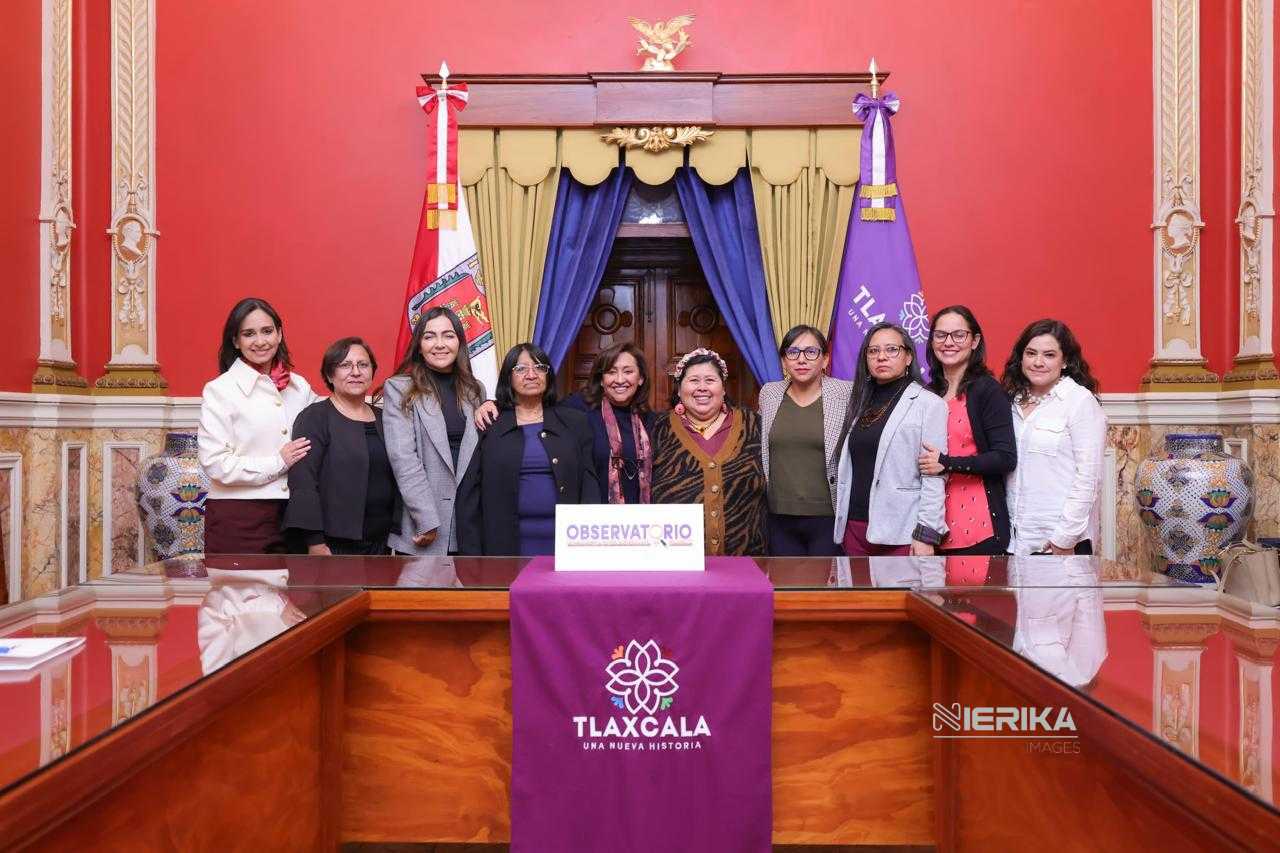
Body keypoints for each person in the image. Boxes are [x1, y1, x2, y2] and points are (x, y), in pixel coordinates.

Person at [198, 297, 318, 554]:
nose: (261, 341)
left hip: (295, 516)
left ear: (279, 333)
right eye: (249, 334)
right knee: (242, 594)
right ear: (235, 341)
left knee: (296, 594)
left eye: (267, 331)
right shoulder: (219, 390)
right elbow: (216, 463)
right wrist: (278, 461)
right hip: (240, 518)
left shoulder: (299, 387)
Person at [457, 343, 598, 555]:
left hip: (566, 544)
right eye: (520, 369)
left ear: (548, 375)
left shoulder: (575, 422)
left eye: (539, 367)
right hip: (503, 545)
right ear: (508, 377)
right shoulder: (489, 423)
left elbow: (590, 486)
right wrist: (472, 557)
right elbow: (470, 495)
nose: (531, 375)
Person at [833, 322, 947, 557]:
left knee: (898, 595)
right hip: (854, 528)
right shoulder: (857, 401)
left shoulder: (929, 404)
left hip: (902, 532)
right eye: (873, 351)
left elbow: (934, 475)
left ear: (908, 357)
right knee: (855, 594)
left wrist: (926, 533)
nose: (881, 357)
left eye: (891, 350)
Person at [283, 337, 399, 555]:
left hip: (381, 543)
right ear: (329, 374)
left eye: (363, 365)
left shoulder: (386, 418)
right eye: (345, 365)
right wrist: (315, 542)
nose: (355, 372)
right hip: (332, 545)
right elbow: (303, 483)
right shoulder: (314, 418)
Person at [382, 308, 485, 555]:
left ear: (459, 342)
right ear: (419, 346)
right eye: (429, 337)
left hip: (469, 524)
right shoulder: (400, 388)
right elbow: (403, 459)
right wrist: (426, 518)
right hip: (424, 527)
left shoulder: (476, 390)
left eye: (448, 336)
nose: (439, 344)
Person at [917, 306, 1017, 555]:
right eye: (940, 335)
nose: (948, 342)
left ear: (975, 341)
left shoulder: (987, 391)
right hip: (929, 527)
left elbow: (1005, 458)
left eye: (958, 335)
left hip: (977, 528)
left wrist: (947, 463)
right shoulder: (926, 394)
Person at [1002, 318, 1106, 556]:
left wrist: (1064, 538)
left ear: (1066, 360)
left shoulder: (1080, 402)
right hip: (1015, 540)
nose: (1038, 362)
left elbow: (1089, 479)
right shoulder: (1010, 401)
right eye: (1031, 353)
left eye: (1049, 355)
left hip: (1057, 542)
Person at [650, 348, 767, 555]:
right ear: (679, 389)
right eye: (693, 380)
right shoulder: (656, 429)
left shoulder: (754, 425)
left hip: (745, 562)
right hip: (676, 563)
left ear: (723, 388)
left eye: (710, 380)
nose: (702, 388)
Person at [758, 325, 852, 555]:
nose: (801, 359)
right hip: (778, 515)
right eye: (793, 352)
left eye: (811, 352)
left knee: (821, 590)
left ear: (825, 359)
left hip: (827, 516)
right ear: (784, 360)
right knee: (785, 588)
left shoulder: (845, 393)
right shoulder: (769, 394)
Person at [561, 343, 657, 505]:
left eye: (628, 371)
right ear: (601, 380)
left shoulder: (650, 420)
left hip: (643, 524)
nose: (620, 380)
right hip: (593, 523)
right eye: (611, 372)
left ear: (640, 378)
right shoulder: (576, 411)